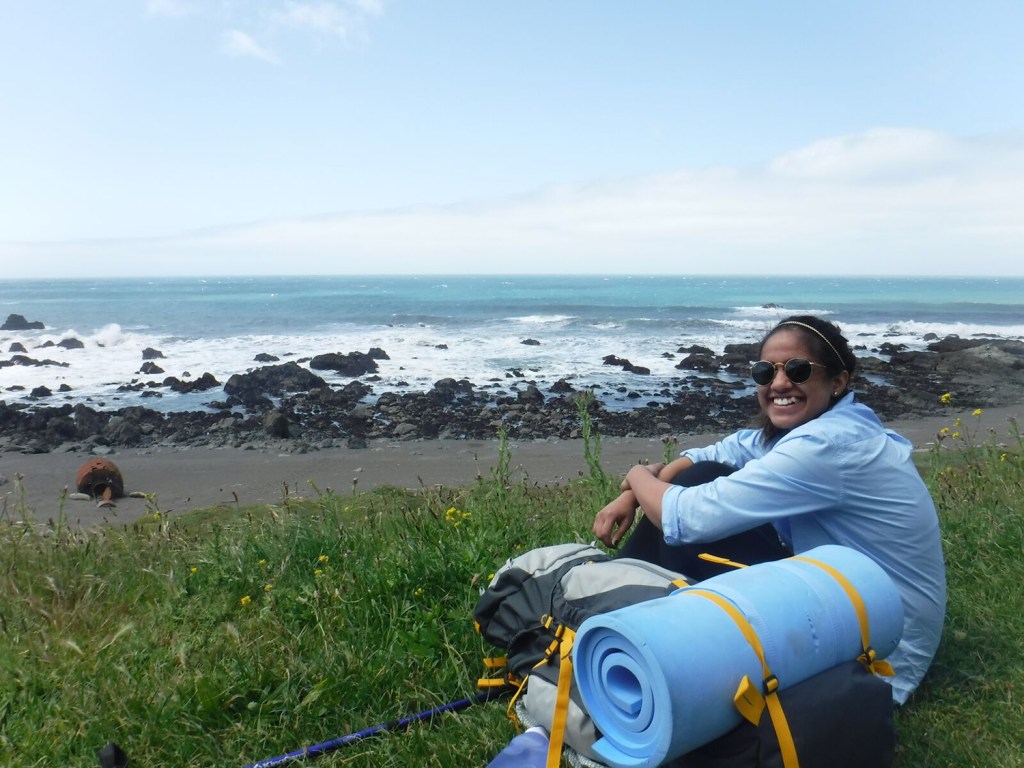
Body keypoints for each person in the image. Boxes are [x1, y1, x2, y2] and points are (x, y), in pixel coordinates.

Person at [592, 315, 946, 704]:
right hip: (859, 608)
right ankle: (610, 603)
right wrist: (635, 493)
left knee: (691, 505)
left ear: (838, 382)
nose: (779, 383)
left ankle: (605, 613)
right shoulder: (824, 427)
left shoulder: (827, 446)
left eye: (797, 369)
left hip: (878, 654)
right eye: (766, 371)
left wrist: (637, 476)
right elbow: (715, 453)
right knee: (704, 475)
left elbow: (687, 517)